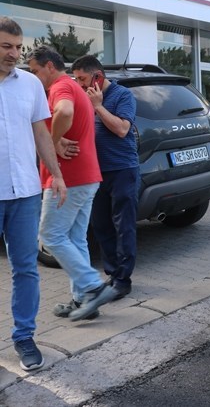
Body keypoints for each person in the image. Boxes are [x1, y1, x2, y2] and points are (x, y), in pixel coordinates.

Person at [27, 46, 118, 322]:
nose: (34, 76)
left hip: (69, 179)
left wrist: (51, 143)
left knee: (50, 235)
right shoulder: (75, 87)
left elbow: (64, 112)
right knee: (76, 239)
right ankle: (83, 299)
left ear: (50, 67)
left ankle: (93, 286)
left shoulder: (60, 88)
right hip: (87, 176)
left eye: (35, 71)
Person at [0, 17, 67, 371]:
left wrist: (56, 174)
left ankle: (24, 336)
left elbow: (41, 133)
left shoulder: (29, 84)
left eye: (18, 47)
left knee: (26, 268)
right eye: (6, 46)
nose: (14, 54)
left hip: (25, 191)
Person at [71, 55, 139, 301]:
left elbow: (122, 129)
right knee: (101, 225)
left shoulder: (122, 96)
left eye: (82, 78)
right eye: (75, 78)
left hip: (122, 170)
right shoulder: (83, 96)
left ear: (98, 76)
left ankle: (123, 280)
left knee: (124, 226)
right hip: (94, 172)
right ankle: (112, 274)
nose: (78, 84)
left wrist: (98, 106)